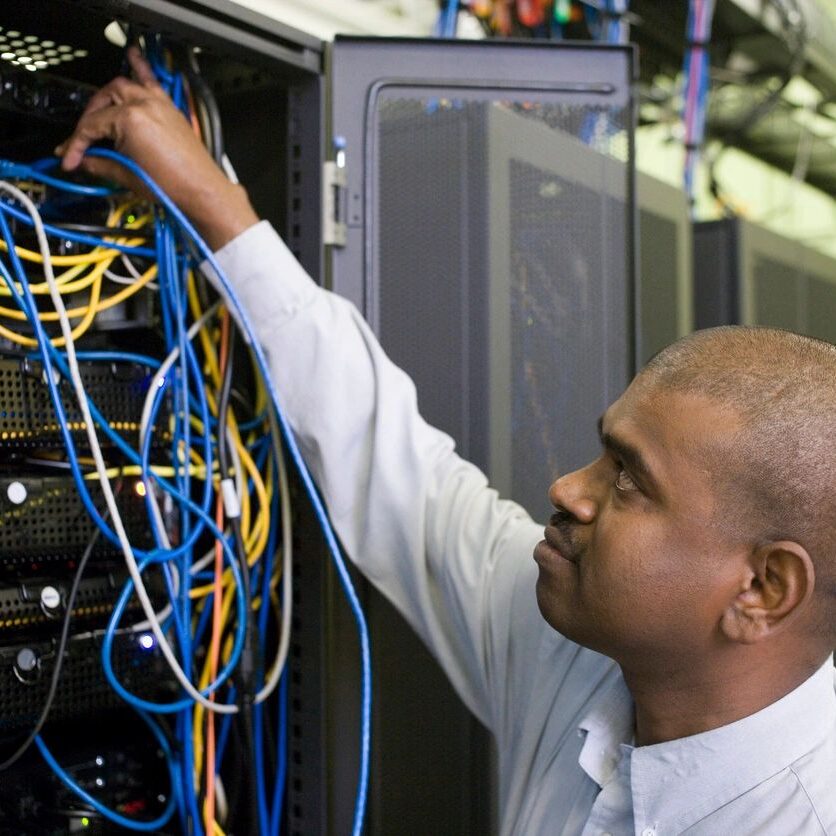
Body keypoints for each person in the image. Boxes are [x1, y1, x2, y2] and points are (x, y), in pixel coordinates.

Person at [57, 49, 835, 835]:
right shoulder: (583, 657)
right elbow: (401, 472)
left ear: (764, 590)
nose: (569, 488)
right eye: (605, 452)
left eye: (630, 479)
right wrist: (208, 200)